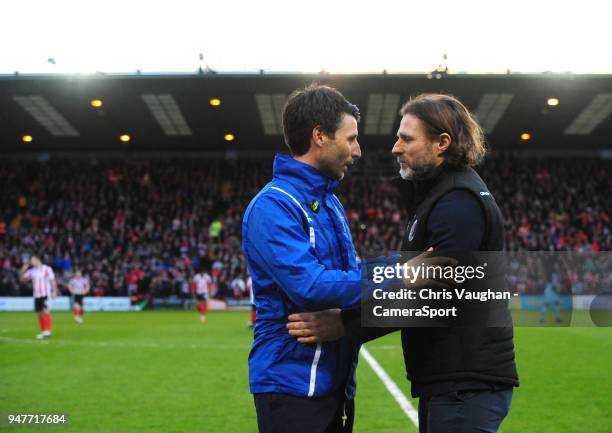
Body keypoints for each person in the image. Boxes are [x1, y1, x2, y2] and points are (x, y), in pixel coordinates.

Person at [287, 94, 519, 433]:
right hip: (454, 381)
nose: (395, 147)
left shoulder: (458, 203)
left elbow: (433, 296)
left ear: (442, 143)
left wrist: (346, 324)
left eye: (406, 138)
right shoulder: (441, 196)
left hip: (466, 383)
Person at [242, 84, 364, 433]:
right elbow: (310, 286)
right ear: (319, 136)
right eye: (351, 138)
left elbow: (349, 278)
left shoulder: (331, 202)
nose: (357, 151)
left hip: (336, 385)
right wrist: (398, 275)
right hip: (291, 387)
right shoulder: (273, 205)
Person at [20, 255, 57, 339]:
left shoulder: (47, 269)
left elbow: (52, 280)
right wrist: (22, 270)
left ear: (37, 260)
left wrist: (54, 291)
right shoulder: (32, 271)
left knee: (45, 310)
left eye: (32, 260)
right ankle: (43, 331)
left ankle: (48, 330)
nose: (31, 262)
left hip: (45, 294)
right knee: (40, 313)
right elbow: (22, 279)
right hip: (36, 295)